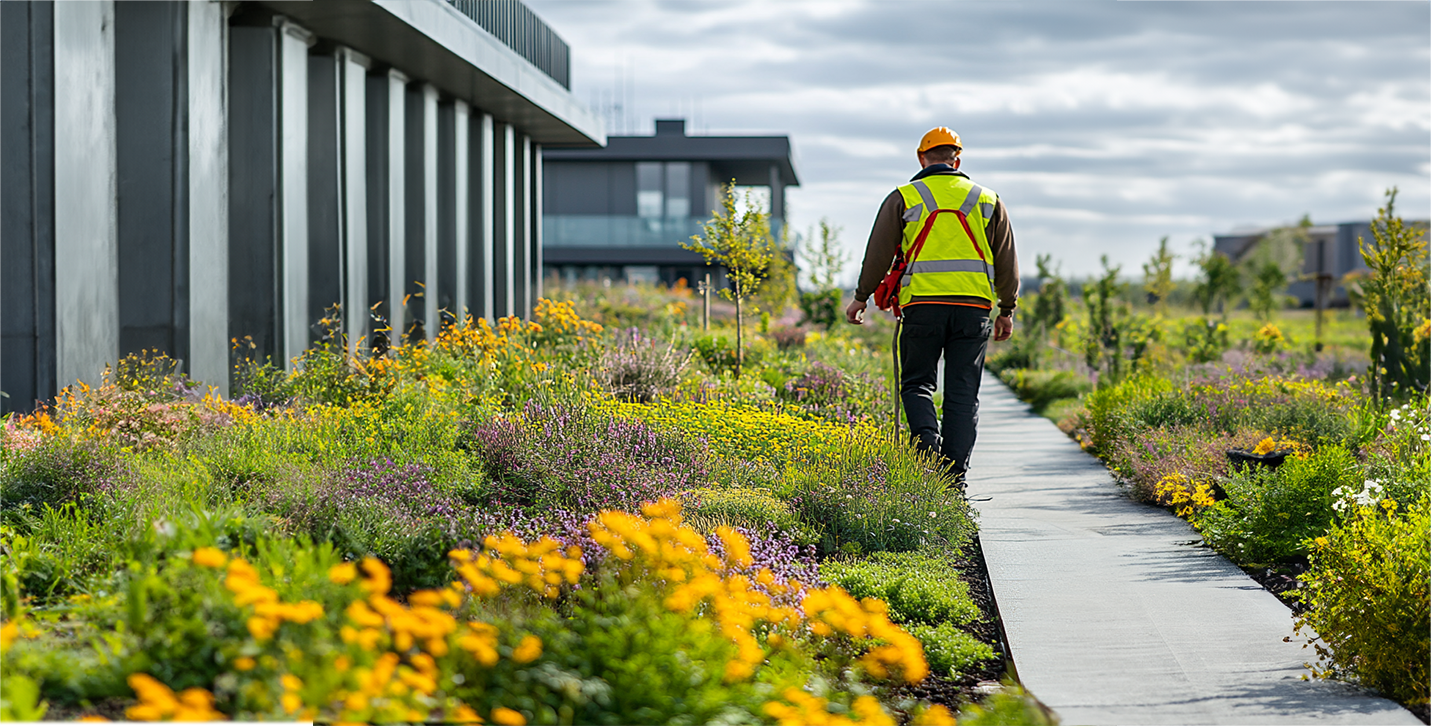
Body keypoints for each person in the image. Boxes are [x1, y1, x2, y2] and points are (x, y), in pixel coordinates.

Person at [844, 127, 1019, 487]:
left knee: (917, 384)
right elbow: (1006, 260)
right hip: (973, 310)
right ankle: (953, 478)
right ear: (957, 159)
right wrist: (1007, 309)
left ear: (922, 158)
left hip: (922, 308)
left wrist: (861, 297)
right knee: (963, 392)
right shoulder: (987, 199)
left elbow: (877, 254)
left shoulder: (904, 197)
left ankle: (927, 457)